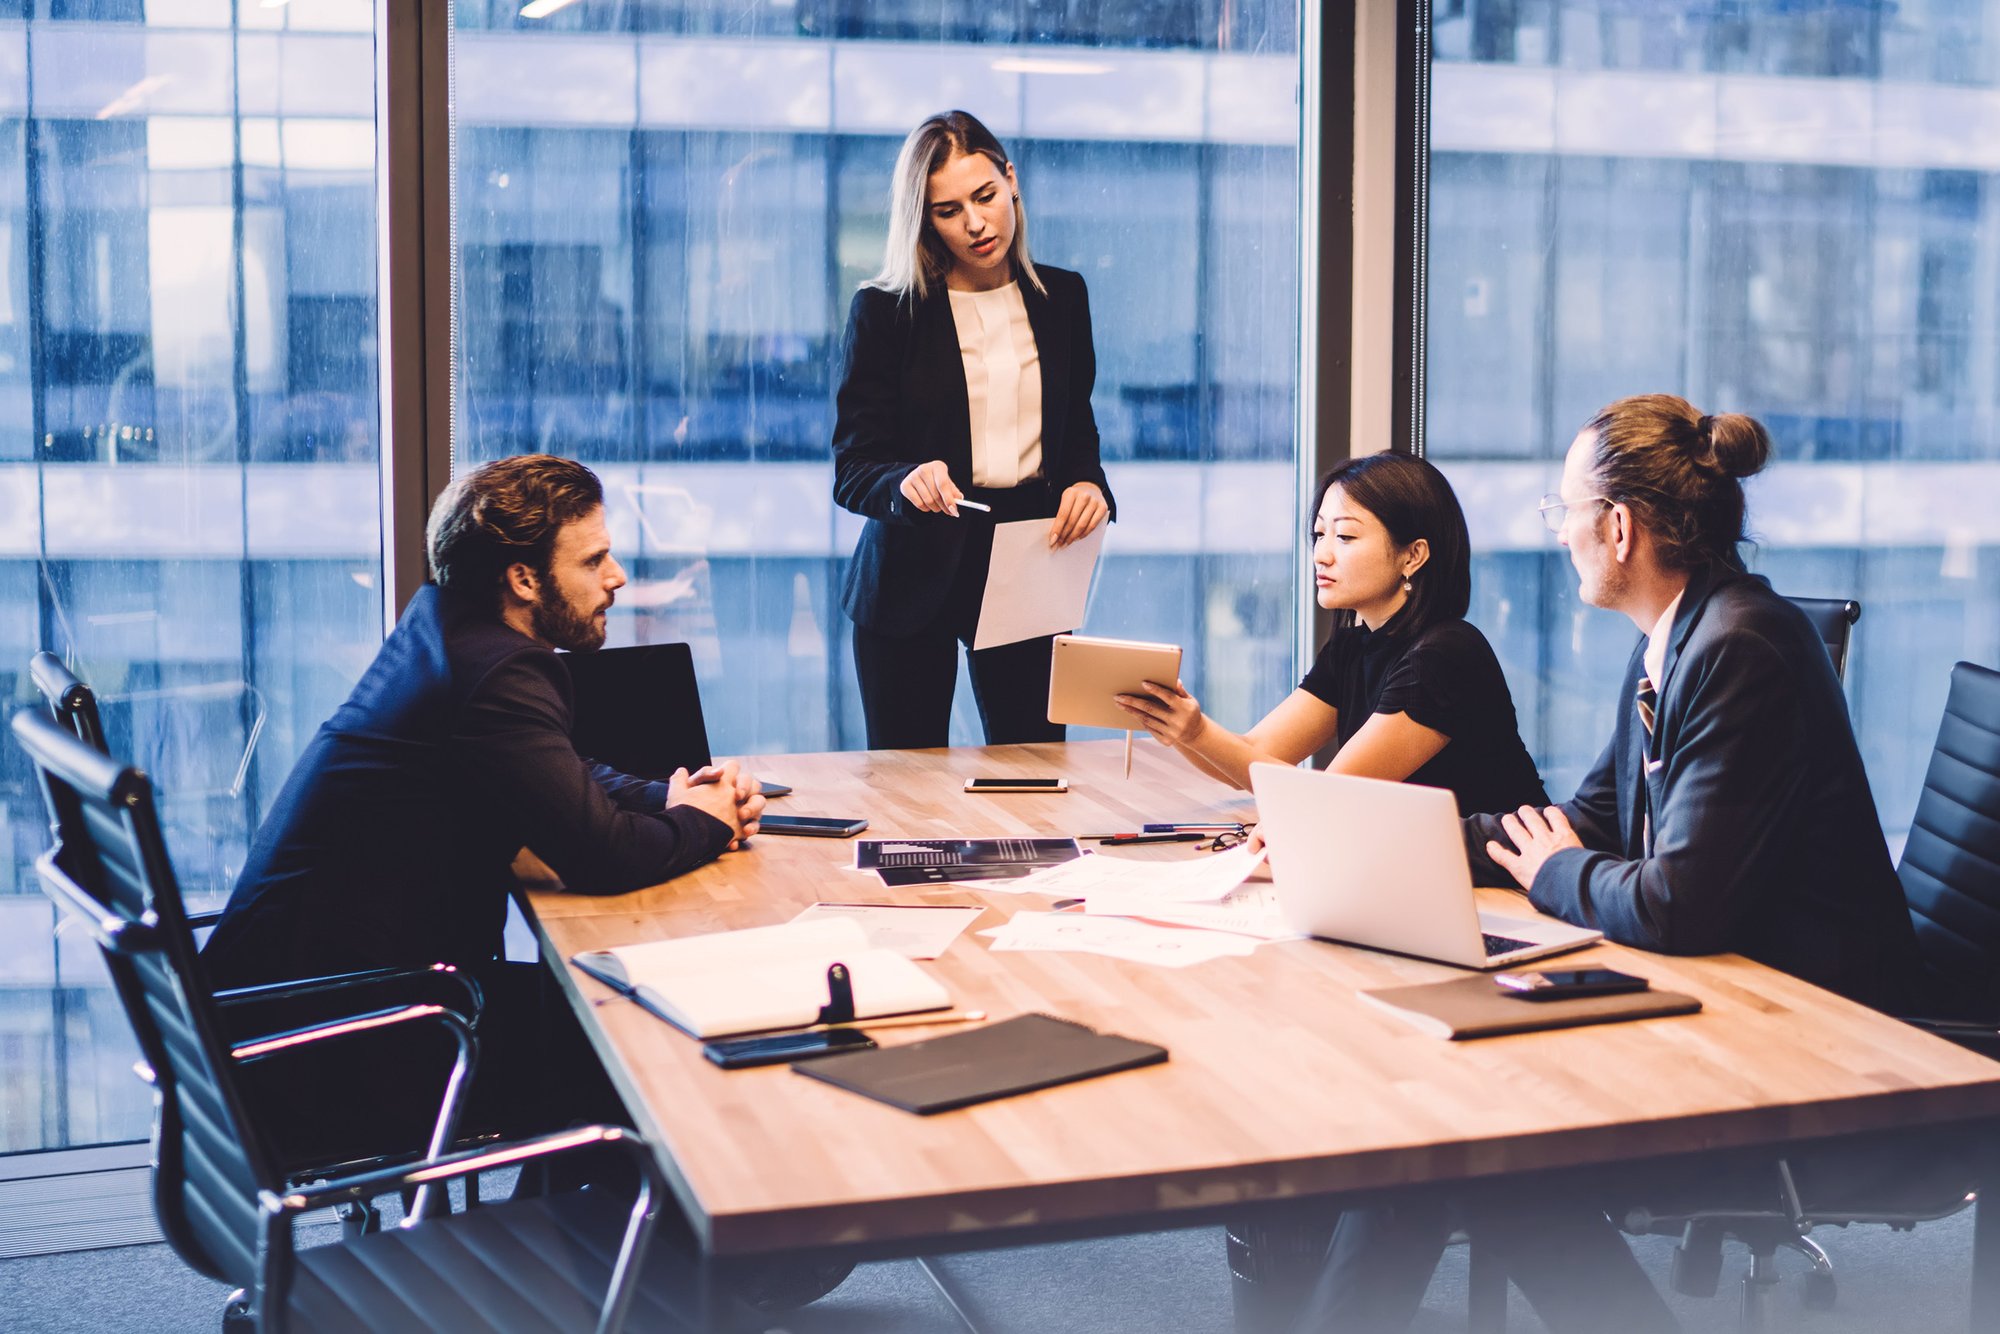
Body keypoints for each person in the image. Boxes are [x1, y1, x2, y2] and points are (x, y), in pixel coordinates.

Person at [202, 454, 765, 1162]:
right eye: (593, 560)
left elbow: (554, 771)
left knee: (616, 1014)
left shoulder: (446, 634)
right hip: (343, 1048)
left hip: (287, 1014)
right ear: (524, 579)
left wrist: (674, 796)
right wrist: (708, 822)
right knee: (648, 1041)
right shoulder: (497, 669)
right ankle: (613, 1225)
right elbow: (607, 858)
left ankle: (578, 1221)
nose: (617, 577)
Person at [1470, 393, 1921, 1012]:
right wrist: (1422, 847)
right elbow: (1596, 818)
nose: (1562, 534)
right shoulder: (1670, 639)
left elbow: (1676, 905)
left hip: (1821, 1011)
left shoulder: (1741, 648)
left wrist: (1554, 871)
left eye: (1566, 511)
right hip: (1735, 979)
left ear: (1619, 527)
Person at [833, 109, 1115, 749]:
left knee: (1035, 769)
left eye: (985, 196)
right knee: (906, 782)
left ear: (1011, 179)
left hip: (1028, 561)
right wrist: (905, 481)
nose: (976, 224)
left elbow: (1076, 430)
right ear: (924, 219)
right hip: (912, 569)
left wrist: (1087, 483)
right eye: (948, 210)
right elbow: (853, 468)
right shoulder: (885, 311)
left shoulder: (1063, 297)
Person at [1117, 451, 1546, 816]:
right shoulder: (1352, 648)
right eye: (1319, 534)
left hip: (1503, 875)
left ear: (1412, 556)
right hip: (1423, 864)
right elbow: (1256, 753)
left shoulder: (1446, 655)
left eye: (1344, 536)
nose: (1321, 554)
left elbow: (1327, 797)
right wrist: (1179, 726)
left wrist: (1196, 733)